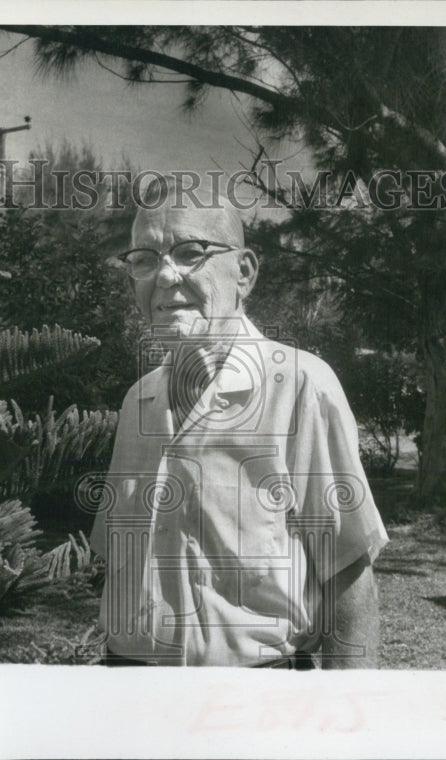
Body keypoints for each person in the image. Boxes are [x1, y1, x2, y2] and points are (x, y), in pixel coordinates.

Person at [90, 179, 388, 668]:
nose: (164, 276)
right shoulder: (137, 402)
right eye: (144, 259)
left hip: (256, 697)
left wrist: (343, 713)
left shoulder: (300, 388)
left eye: (190, 253)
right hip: (129, 691)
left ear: (244, 273)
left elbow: (349, 578)